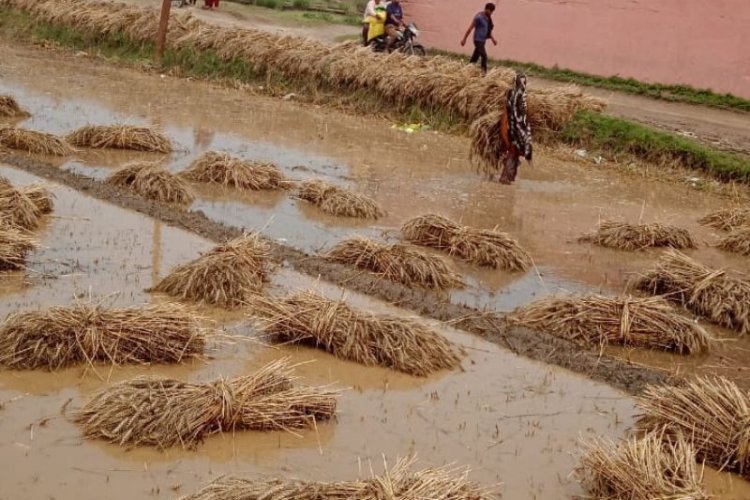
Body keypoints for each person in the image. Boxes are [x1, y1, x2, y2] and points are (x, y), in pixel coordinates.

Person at [497, 73, 532, 184]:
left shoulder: (520, 97)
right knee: (512, 156)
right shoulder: (514, 96)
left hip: (517, 133)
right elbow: (505, 118)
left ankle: (508, 180)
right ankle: (505, 181)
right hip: (515, 134)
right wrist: (505, 138)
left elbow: (521, 118)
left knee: (514, 157)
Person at [460, 3, 497, 74]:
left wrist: (493, 39)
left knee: (475, 57)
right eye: (491, 11)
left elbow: (488, 30)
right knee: (484, 56)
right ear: (487, 9)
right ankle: (484, 73)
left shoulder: (488, 18)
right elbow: (470, 28)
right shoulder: (478, 17)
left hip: (482, 40)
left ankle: (467, 69)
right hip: (477, 40)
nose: (492, 13)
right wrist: (464, 39)